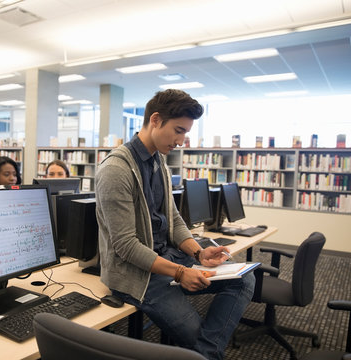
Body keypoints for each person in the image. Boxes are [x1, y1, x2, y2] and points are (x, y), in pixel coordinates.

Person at [95, 89, 255, 360]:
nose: (181, 141)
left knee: (244, 279)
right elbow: (125, 246)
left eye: (185, 134)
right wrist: (180, 273)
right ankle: (205, 354)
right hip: (138, 274)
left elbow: (173, 219)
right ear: (155, 120)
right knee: (196, 337)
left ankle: (205, 355)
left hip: (169, 258)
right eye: (178, 131)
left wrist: (198, 252)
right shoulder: (116, 169)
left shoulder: (159, 162)